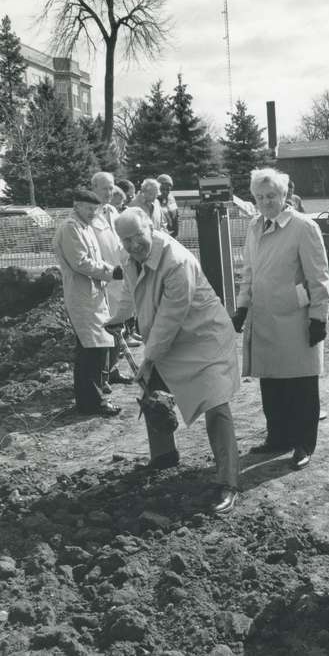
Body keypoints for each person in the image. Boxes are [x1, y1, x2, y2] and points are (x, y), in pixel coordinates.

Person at [109, 207, 241, 514]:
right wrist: (118, 317)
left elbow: (170, 319)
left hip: (203, 338)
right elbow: (130, 291)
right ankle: (165, 456)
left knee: (215, 405)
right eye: (125, 240)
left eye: (137, 237)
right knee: (152, 394)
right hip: (169, 339)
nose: (132, 245)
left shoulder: (176, 261)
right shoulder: (129, 257)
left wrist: (148, 359)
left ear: (151, 228)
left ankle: (228, 482)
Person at [231, 167, 329, 471]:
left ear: (284, 195)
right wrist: (242, 307)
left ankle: (303, 444)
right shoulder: (254, 226)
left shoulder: (303, 227)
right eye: (260, 197)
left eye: (271, 195)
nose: (266, 202)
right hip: (264, 318)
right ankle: (279, 438)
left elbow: (319, 277)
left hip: (295, 318)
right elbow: (249, 271)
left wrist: (318, 318)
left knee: (301, 385)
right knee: (271, 382)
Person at [53, 189, 123, 417]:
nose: (93, 213)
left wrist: (110, 270)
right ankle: (91, 403)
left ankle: (93, 398)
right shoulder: (71, 228)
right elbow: (81, 263)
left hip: (94, 295)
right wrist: (113, 272)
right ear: (77, 206)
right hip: (82, 296)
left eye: (96, 209)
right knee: (91, 350)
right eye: (89, 208)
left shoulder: (85, 227)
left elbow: (96, 258)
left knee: (96, 347)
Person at [91, 172, 136, 389]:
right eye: (104, 189)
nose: (109, 193)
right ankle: (102, 376)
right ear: (94, 189)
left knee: (118, 326)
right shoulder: (90, 214)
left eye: (111, 188)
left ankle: (113, 369)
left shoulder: (112, 211)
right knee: (104, 329)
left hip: (119, 277)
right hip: (102, 279)